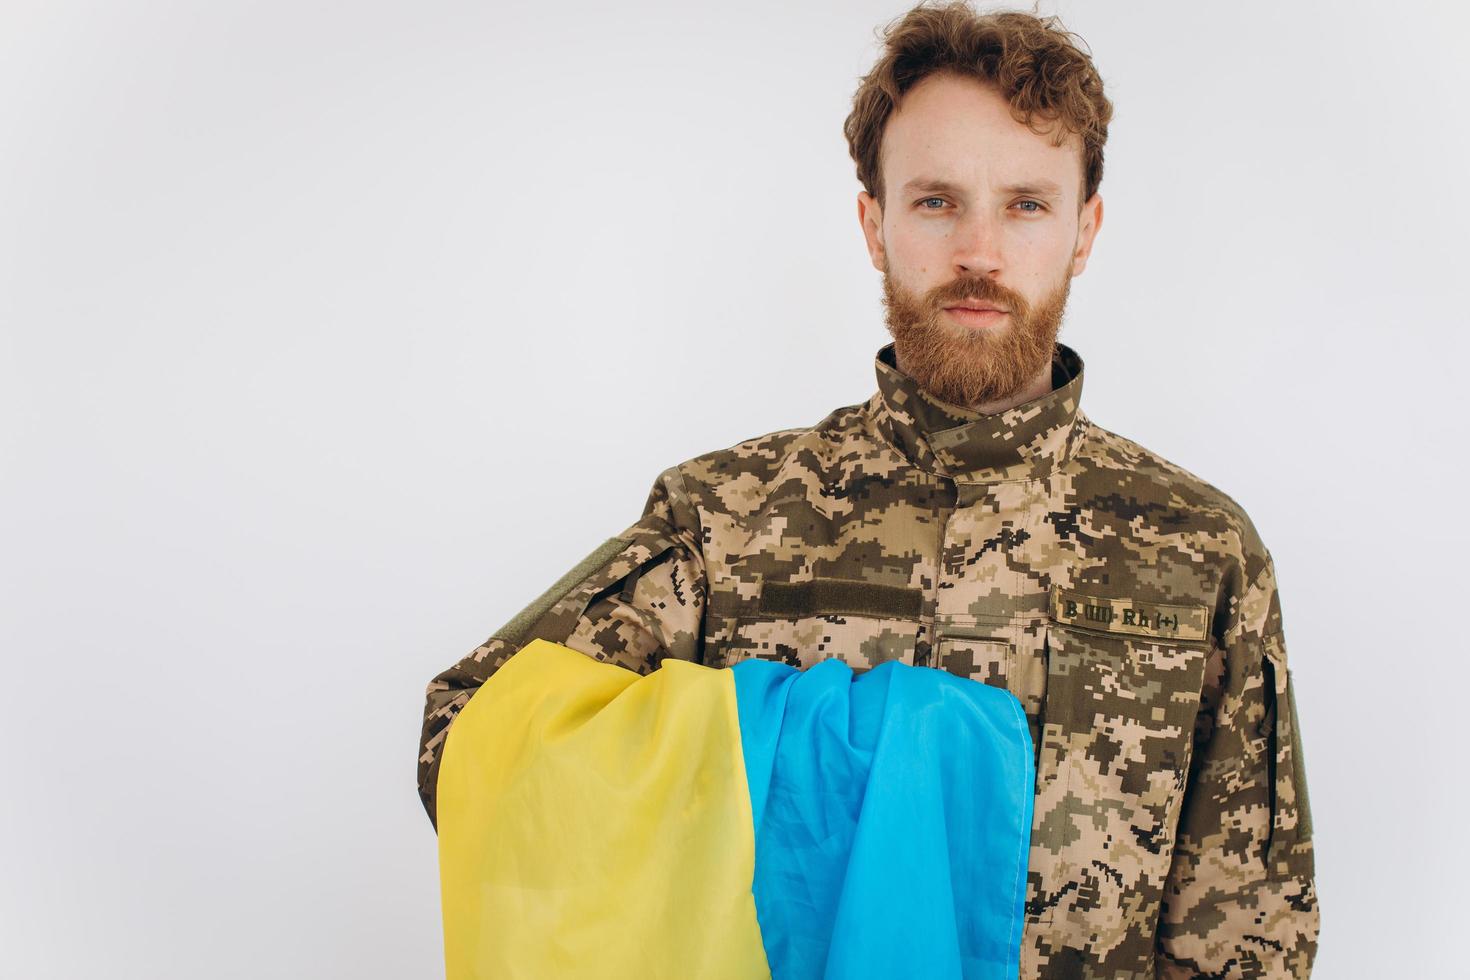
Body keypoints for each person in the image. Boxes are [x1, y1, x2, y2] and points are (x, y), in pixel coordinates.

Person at [418, 2, 1320, 975]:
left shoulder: (1202, 552)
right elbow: (469, 736)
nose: (979, 251)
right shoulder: (722, 520)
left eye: (1026, 203)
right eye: (936, 201)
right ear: (873, 220)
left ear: (1085, 229)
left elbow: (1252, 935)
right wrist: (835, 744)